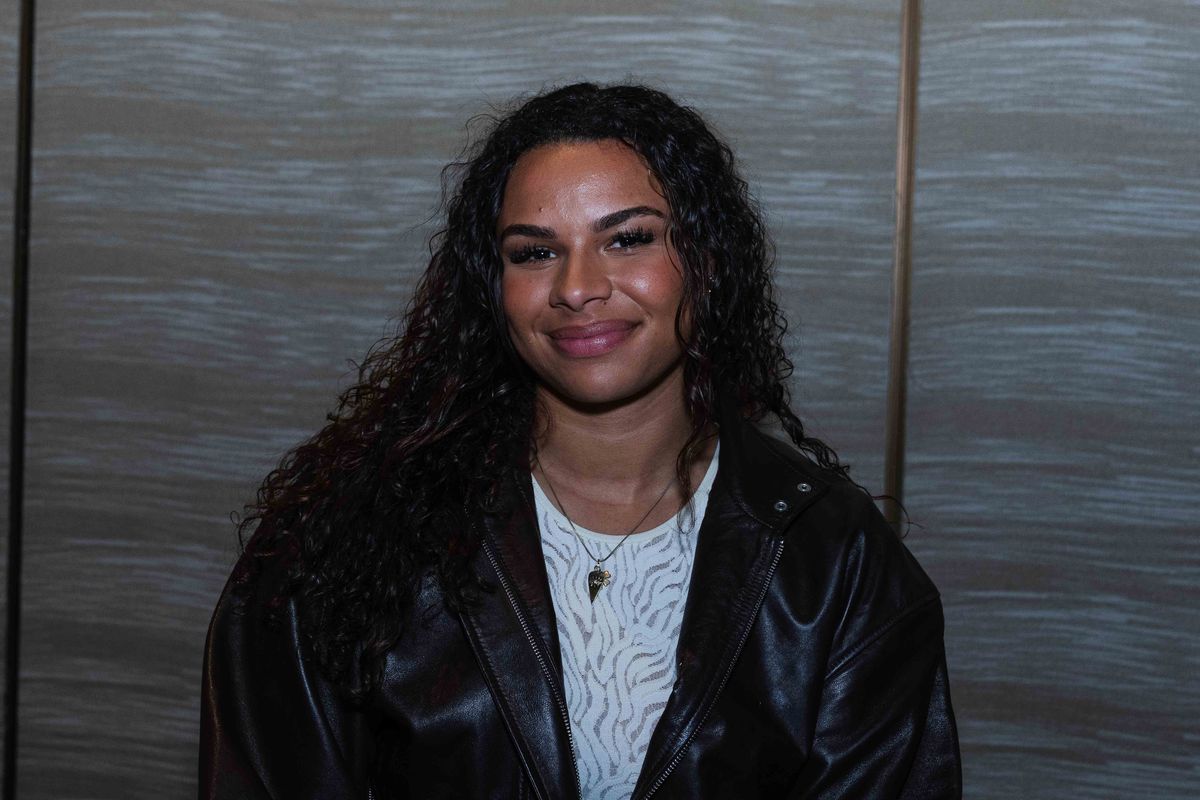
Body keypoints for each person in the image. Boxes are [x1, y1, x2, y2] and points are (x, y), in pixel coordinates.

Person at [200, 82, 961, 799]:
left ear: (707, 261)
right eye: (534, 252)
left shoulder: (834, 558)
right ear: (492, 286)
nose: (575, 287)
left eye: (627, 239)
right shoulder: (348, 539)